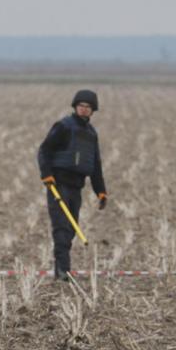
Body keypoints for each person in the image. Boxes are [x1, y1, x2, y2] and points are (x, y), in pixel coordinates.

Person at [37, 90, 108, 280]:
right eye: (81, 106)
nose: (84, 110)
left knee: (71, 227)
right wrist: (47, 175)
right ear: (75, 107)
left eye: (88, 107)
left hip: (77, 186)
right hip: (58, 184)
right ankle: (63, 270)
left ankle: (61, 266)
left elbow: (95, 165)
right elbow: (44, 150)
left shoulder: (91, 134)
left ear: (93, 111)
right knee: (61, 227)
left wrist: (100, 191)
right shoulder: (63, 126)